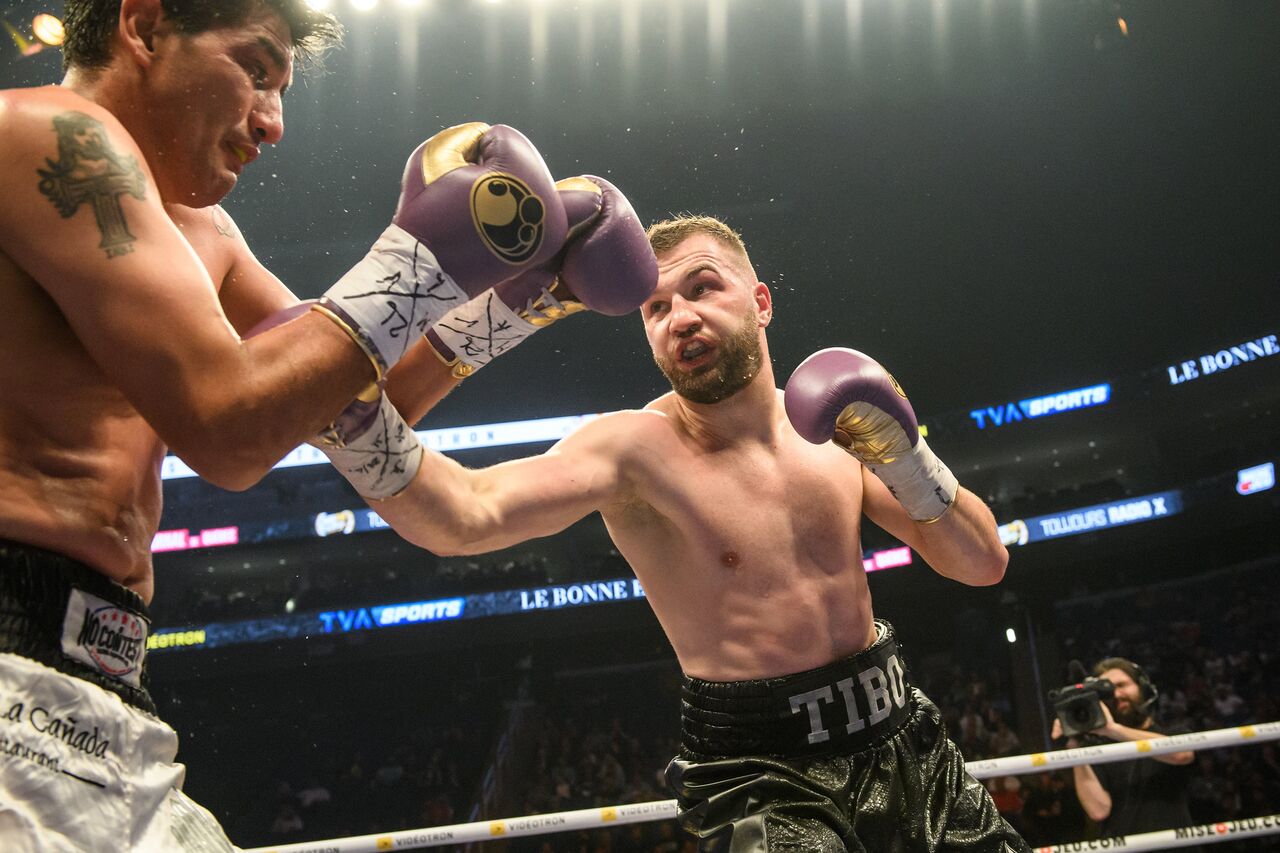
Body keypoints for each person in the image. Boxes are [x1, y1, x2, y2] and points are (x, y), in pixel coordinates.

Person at [0, 1, 653, 847]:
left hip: (104, 692)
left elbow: (340, 411)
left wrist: (520, 303)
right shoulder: (48, 137)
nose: (273, 122)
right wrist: (422, 257)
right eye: (257, 70)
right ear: (146, 24)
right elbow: (227, 430)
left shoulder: (208, 236)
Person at [365, 214, 1030, 851]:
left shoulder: (839, 426)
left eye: (702, 286)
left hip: (903, 730)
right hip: (766, 774)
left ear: (760, 301)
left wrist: (909, 457)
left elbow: (983, 563)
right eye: (654, 309)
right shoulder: (633, 453)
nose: (679, 316)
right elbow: (462, 515)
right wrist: (359, 424)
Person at [1051, 658, 1200, 850]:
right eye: (1108, 691)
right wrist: (1073, 743)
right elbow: (1098, 810)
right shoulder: (1096, 749)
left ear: (1143, 687)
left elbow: (1182, 754)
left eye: (1122, 685)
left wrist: (1112, 729)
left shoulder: (1174, 732)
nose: (1117, 694)